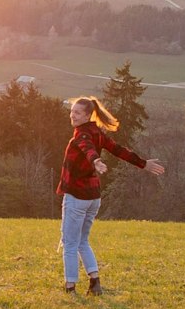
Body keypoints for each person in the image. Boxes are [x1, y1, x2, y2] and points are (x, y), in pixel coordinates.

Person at [57, 95, 163, 294]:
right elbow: (118, 150)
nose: (73, 115)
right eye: (72, 111)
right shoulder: (97, 132)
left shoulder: (83, 134)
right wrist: (143, 164)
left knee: (70, 243)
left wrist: (95, 161)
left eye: (78, 113)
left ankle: (70, 287)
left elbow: (88, 149)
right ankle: (95, 282)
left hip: (78, 196)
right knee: (82, 241)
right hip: (93, 197)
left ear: (88, 115)